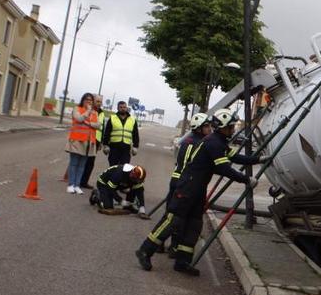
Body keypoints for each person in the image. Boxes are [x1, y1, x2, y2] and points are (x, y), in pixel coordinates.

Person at [135, 109, 261, 276]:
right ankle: (145, 250)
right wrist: (246, 180)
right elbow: (223, 168)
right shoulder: (213, 143)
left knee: (194, 225)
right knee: (174, 221)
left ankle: (182, 261)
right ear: (222, 127)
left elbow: (236, 157)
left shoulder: (220, 141)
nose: (233, 130)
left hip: (198, 189)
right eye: (230, 127)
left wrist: (258, 159)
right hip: (187, 187)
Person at [163, 112, 211, 256]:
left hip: (179, 180)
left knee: (171, 214)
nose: (210, 129)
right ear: (199, 128)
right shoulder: (196, 144)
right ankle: (172, 246)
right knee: (177, 217)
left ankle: (162, 243)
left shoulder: (191, 140)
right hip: (183, 183)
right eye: (207, 126)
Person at [65, 93, 100, 195]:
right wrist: (87, 111)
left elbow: (98, 125)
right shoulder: (77, 109)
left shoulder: (95, 113)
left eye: (90, 100)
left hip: (89, 142)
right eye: (87, 99)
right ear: (83, 100)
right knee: (74, 163)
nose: (89, 101)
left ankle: (77, 185)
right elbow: (79, 119)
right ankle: (71, 185)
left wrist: (89, 124)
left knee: (82, 166)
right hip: (77, 141)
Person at [79, 94, 106, 189]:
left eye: (101, 102)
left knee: (90, 162)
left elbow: (102, 128)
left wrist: (101, 142)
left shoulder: (102, 113)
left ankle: (84, 181)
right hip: (86, 137)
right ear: (93, 101)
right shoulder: (88, 110)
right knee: (81, 159)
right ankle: (77, 180)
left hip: (96, 140)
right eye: (97, 101)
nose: (99, 103)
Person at [102, 101, 140, 166]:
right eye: (121, 107)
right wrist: (105, 145)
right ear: (117, 108)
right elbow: (107, 132)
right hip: (114, 147)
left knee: (124, 167)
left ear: (127, 108)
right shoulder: (112, 118)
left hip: (126, 148)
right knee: (113, 167)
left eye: (124, 107)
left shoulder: (132, 119)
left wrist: (135, 146)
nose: (123, 108)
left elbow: (135, 134)